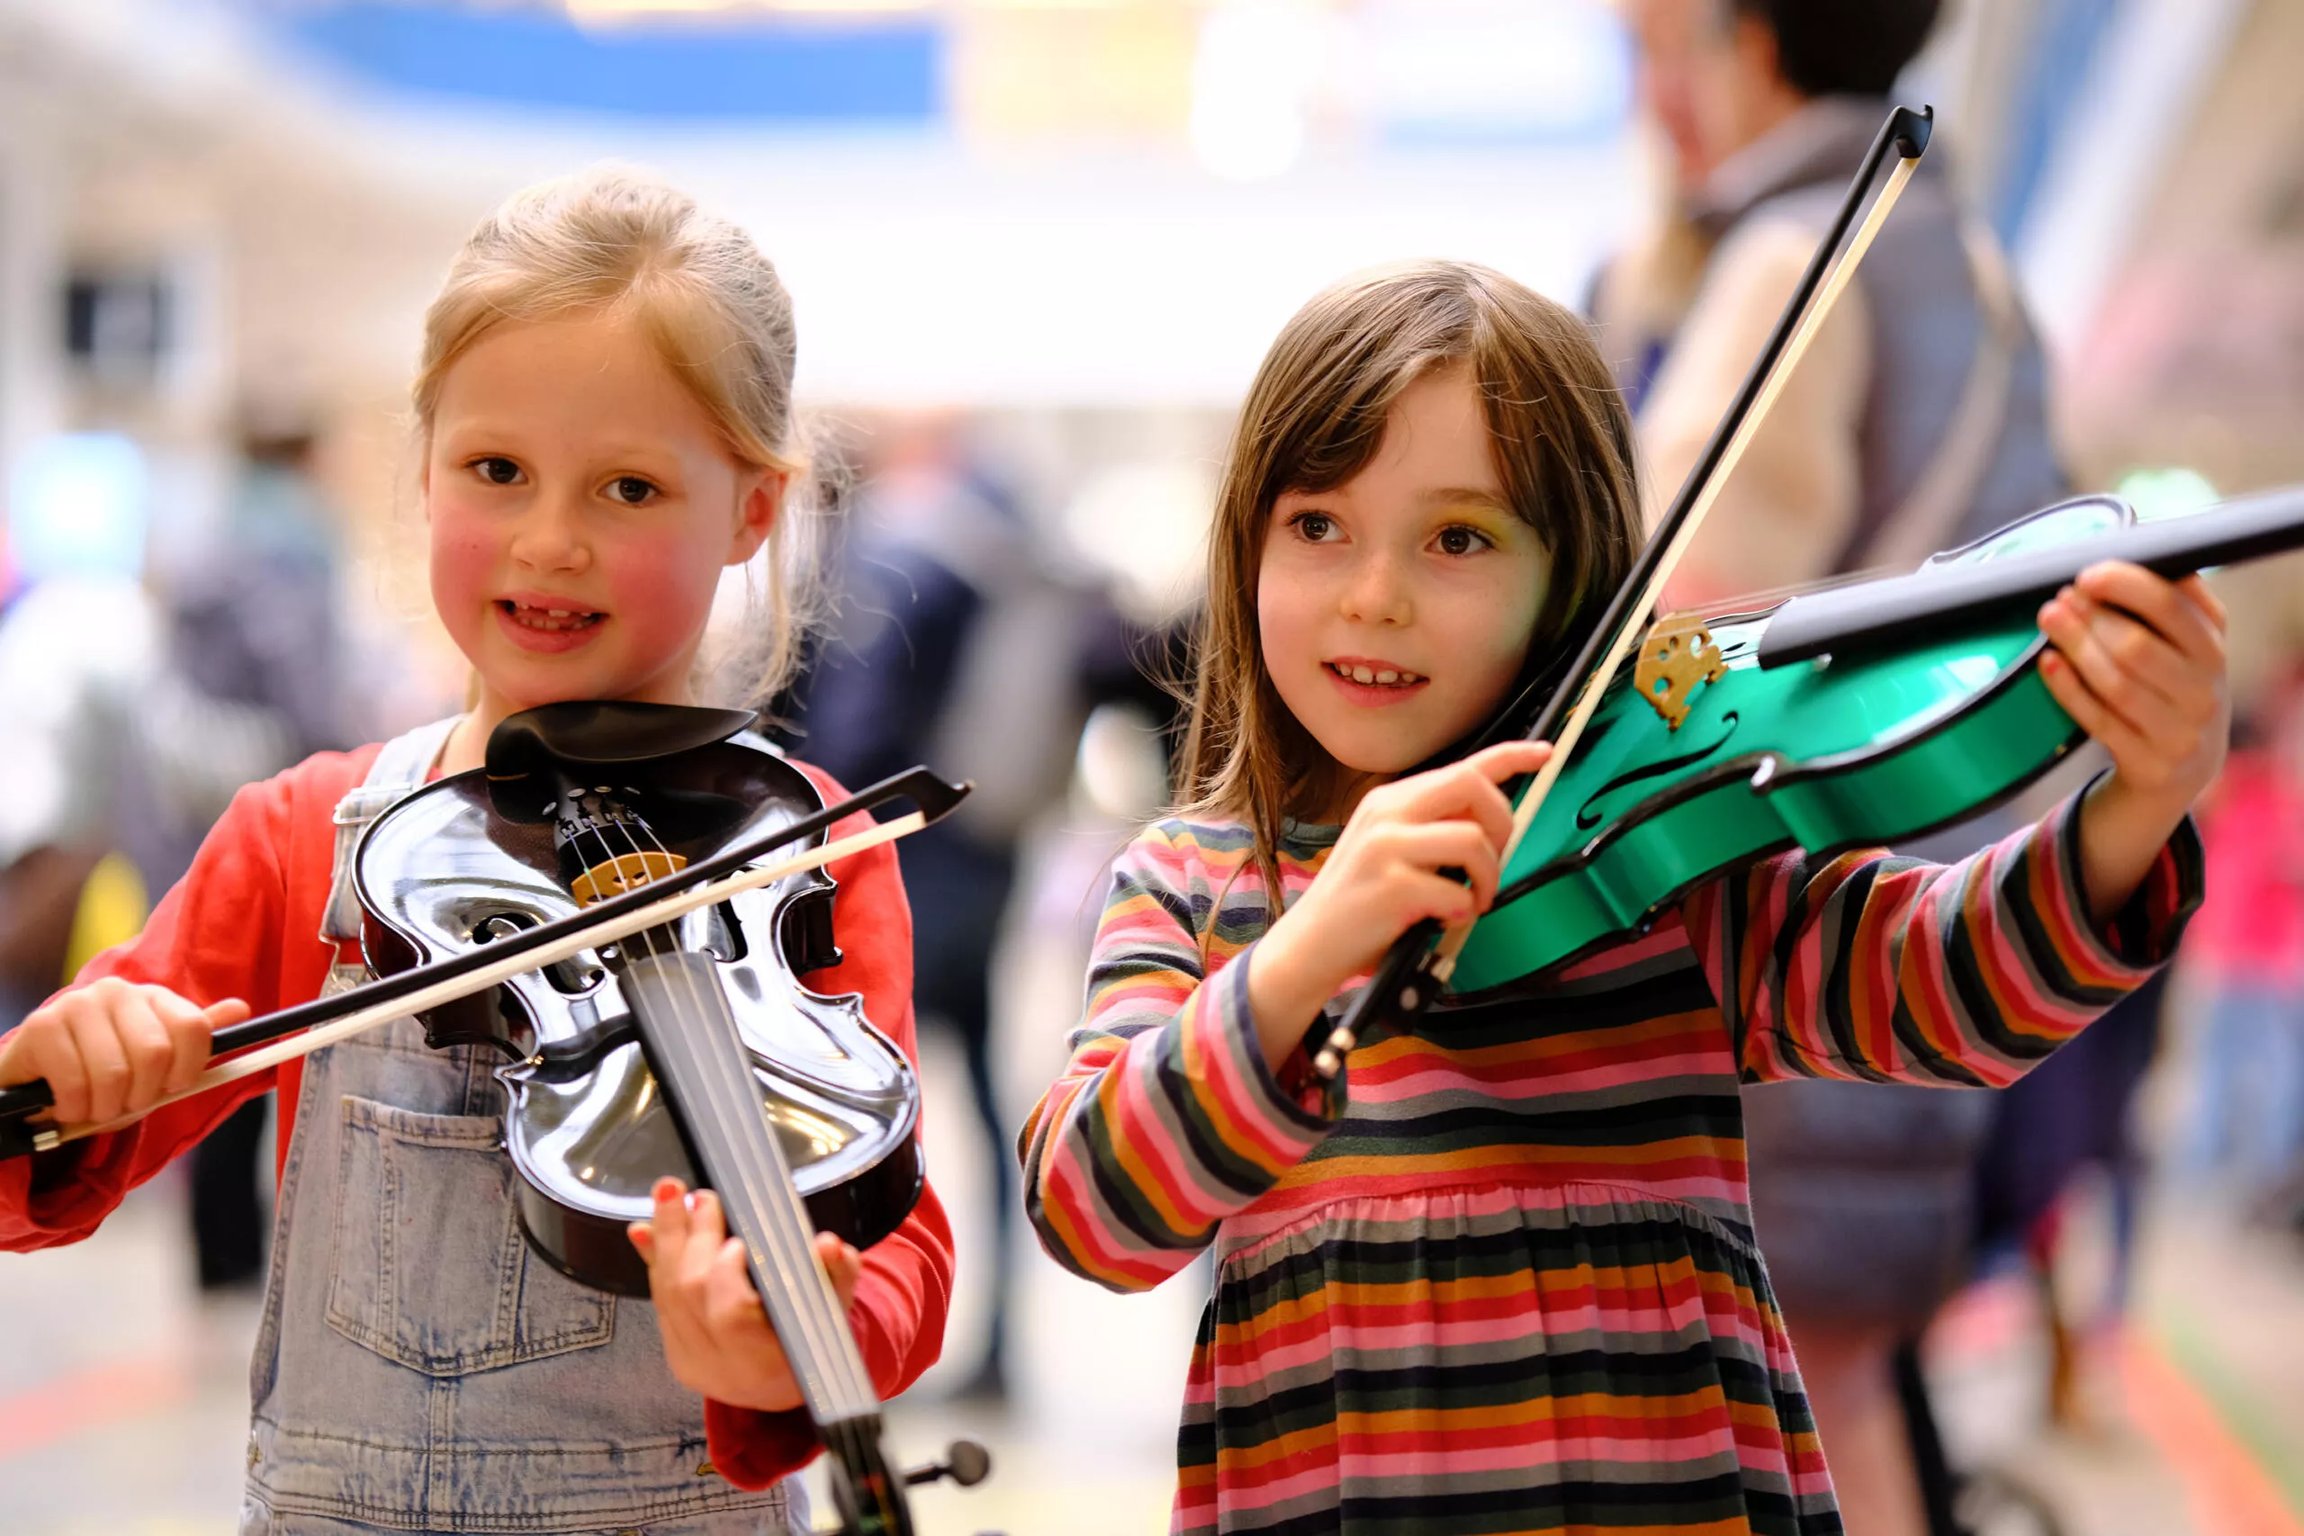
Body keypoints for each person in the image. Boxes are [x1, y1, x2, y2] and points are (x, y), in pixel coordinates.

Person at [1018, 260, 2218, 1535]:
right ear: (1246, 540)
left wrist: (2136, 807)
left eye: (1459, 538)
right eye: (1317, 525)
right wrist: (1306, 955)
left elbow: (1944, 989)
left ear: (1571, 582)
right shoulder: (1198, 885)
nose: (1375, 593)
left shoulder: (1660, 861)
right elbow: (1093, 1210)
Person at [0, 168, 952, 1535]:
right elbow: (43, 1161)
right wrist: (59, 1068)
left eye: (629, 487)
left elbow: (896, 1228)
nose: (551, 542)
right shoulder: (301, 839)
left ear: (751, 509)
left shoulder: (797, 854)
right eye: (496, 471)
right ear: (426, 458)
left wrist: (800, 1330)